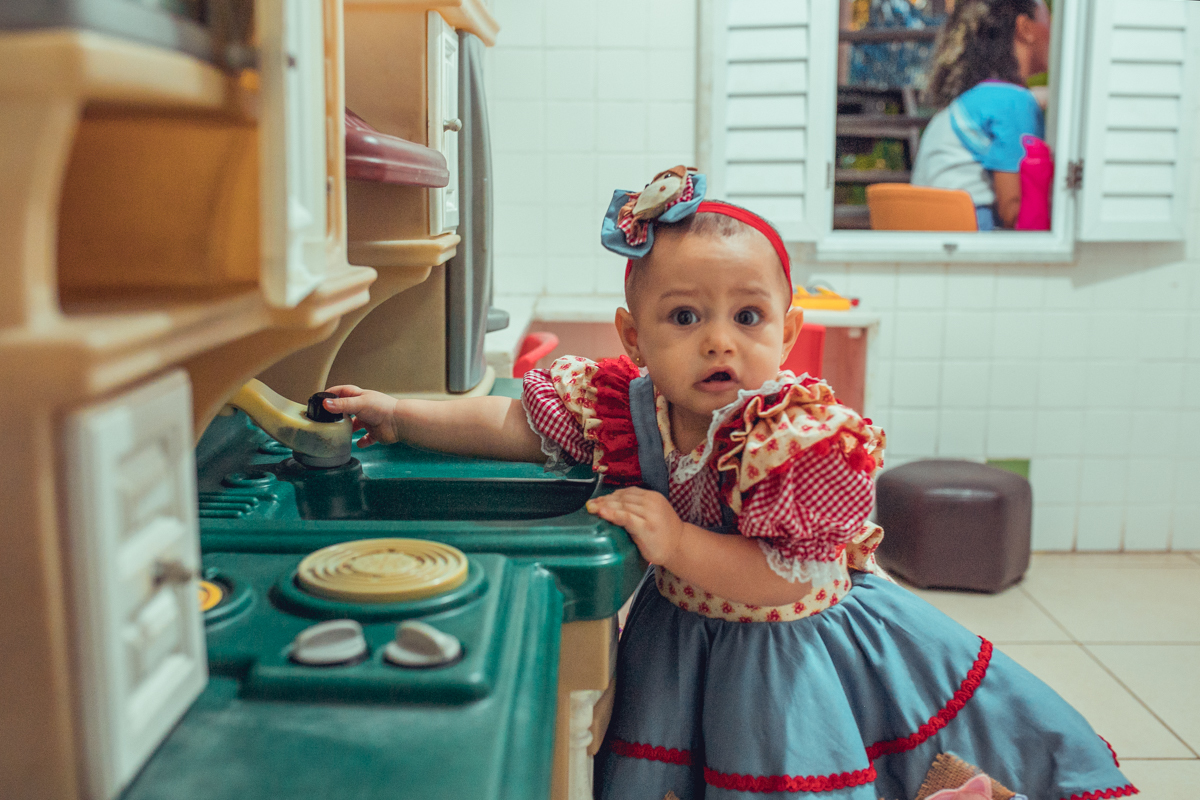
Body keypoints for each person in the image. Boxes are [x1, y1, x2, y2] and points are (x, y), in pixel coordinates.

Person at [320, 168, 1134, 800]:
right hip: (682, 645)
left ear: (787, 330)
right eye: (685, 318)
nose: (719, 342)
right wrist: (398, 413)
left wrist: (676, 541)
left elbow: (785, 579)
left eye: (747, 318)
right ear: (634, 338)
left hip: (792, 654)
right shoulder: (625, 406)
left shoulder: (790, 436)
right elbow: (512, 426)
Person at [911, 0, 1052, 230]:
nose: (1055, 32)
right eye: (1049, 21)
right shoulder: (1014, 102)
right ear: (1026, 29)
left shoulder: (982, 98)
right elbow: (1014, 212)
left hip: (934, 235)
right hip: (968, 237)